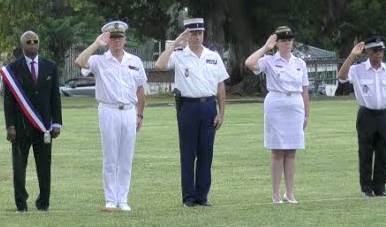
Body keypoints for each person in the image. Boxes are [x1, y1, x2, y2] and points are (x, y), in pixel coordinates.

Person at [155, 18, 229, 208]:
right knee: (188, 153)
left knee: (206, 153)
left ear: (203, 34)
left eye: (199, 33)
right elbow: (160, 65)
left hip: (208, 106)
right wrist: (175, 43)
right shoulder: (179, 55)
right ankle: (188, 197)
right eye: (193, 33)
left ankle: (202, 195)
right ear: (187, 35)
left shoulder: (213, 56)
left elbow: (220, 86)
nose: (197, 37)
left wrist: (221, 112)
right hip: (188, 106)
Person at [75, 20, 147, 212]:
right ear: (108, 40)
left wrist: (140, 114)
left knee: (126, 157)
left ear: (124, 39)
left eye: (119, 37)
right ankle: (110, 199)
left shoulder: (135, 61)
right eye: (113, 38)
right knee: (110, 156)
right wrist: (96, 44)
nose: (116, 41)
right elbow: (80, 62)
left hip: (129, 111)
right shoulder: (99, 60)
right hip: (108, 110)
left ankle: (123, 199)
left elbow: (140, 90)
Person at [245, 25, 309, 204]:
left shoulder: (299, 63)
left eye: (289, 40)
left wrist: (306, 114)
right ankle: (275, 193)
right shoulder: (269, 61)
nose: (287, 43)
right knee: (277, 151)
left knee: (291, 150)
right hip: (276, 103)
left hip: (295, 104)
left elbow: (304, 90)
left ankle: (290, 192)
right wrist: (266, 47)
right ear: (277, 43)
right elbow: (249, 63)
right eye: (283, 40)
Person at [2, 30, 62, 212]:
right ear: (22, 45)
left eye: (35, 41)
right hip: (20, 127)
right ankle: (21, 203)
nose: (32, 44)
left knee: (44, 168)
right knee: (19, 169)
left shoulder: (50, 66)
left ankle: (43, 202)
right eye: (28, 42)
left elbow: (55, 97)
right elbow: (8, 101)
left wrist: (57, 123)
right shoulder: (12, 69)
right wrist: (10, 125)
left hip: (44, 127)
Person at [337, 36, 386, 197]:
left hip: (384, 116)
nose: (379, 54)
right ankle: (366, 188)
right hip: (366, 115)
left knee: (383, 152)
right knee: (365, 153)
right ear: (368, 52)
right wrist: (352, 55)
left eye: (381, 51)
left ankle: (380, 187)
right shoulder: (358, 69)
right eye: (375, 51)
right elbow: (341, 76)